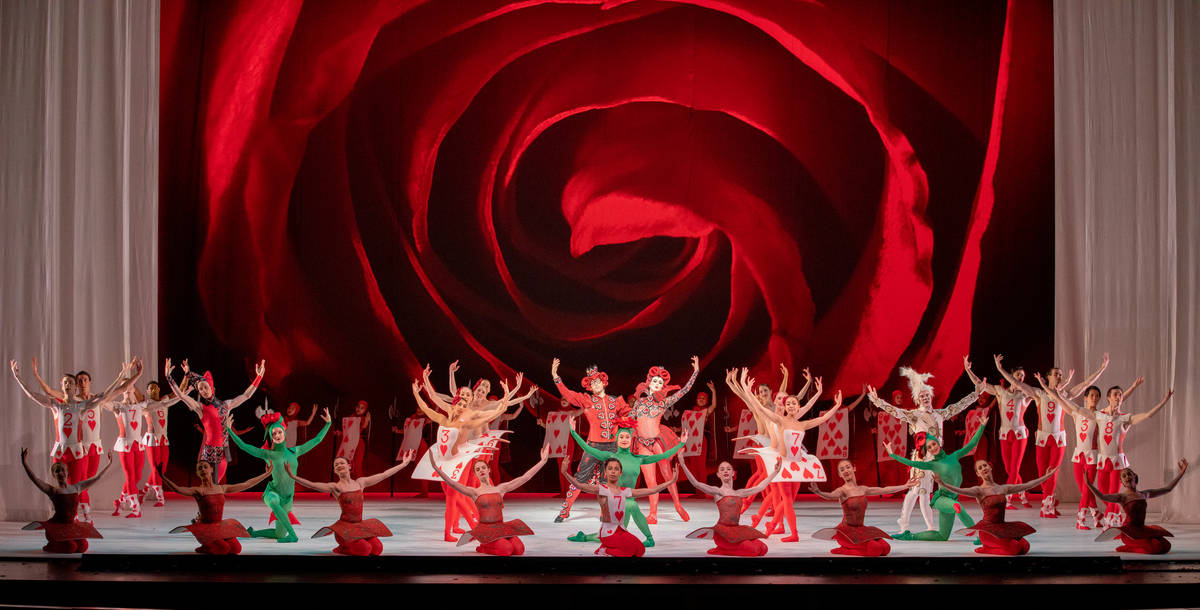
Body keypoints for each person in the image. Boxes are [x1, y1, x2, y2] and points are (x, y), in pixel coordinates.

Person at [12, 358, 140, 522]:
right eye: (65, 382)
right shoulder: (55, 405)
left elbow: (106, 395)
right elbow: (32, 395)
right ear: (62, 385)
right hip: (60, 451)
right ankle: (67, 516)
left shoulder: (82, 406)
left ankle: (85, 517)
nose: (68, 385)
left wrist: (121, 376)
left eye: (70, 383)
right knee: (62, 487)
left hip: (78, 452)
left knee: (79, 486)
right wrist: (18, 377)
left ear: (74, 387)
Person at [729, 368, 842, 542]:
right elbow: (758, 407)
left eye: (793, 403)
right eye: (787, 403)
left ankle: (774, 525)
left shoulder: (802, 424)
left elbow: (822, 418)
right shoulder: (779, 419)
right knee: (785, 499)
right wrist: (744, 385)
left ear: (798, 406)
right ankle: (787, 531)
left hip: (798, 464)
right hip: (782, 464)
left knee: (788, 500)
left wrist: (834, 404)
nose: (790, 405)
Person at [1046, 376, 1172, 528]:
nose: (1118, 397)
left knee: (1113, 493)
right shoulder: (1100, 415)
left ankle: (1108, 522)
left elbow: (1147, 415)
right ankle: (1115, 515)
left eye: (1120, 395)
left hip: (1117, 461)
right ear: (1108, 398)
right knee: (1105, 495)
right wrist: (1056, 393)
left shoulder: (1125, 418)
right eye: (1115, 395)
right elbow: (1077, 409)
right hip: (1102, 461)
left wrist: (1164, 402)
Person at [868, 365, 984, 529]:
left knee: (920, 491)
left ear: (931, 396)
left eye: (927, 395)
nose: (925, 397)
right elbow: (895, 412)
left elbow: (959, 406)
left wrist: (976, 393)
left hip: (939, 459)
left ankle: (908, 522)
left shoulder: (940, 414)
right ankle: (927, 526)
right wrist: (878, 401)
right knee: (920, 491)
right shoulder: (915, 415)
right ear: (917, 400)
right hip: (922, 458)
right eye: (921, 396)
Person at [994, 353, 1108, 517]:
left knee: (1052, 472)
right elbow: (1016, 383)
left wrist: (1101, 368)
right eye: (1056, 374)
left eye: (1061, 375)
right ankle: (1048, 503)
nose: (1059, 377)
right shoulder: (1039, 394)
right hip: (1042, 438)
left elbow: (1086, 384)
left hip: (1058, 439)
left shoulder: (1065, 395)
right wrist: (1000, 369)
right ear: (1047, 377)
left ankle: (1046, 506)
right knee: (1042, 474)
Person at [564, 417, 687, 547]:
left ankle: (649, 538)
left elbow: (662, 456)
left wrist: (681, 444)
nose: (624, 440)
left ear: (631, 439)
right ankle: (585, 537)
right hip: (613, 502)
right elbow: (589, 449)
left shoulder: (638, 459)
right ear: (617, 439)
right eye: (621, 437)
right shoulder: (611, 457)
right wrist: (573, 432)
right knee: (614, 531)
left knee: (627, 512)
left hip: (628, 498)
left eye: (627, 437)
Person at [226, 408, 332, 542]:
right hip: (273, 493)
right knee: (274, 502)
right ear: (270, 436)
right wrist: (229, 430)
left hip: (288, 497)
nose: (277, 435)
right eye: (274, 433)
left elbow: (316, 440)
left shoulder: (295, 451)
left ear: (284, 432)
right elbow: (244, 446)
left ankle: (252, 533)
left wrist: (328, 424)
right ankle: (293, 535)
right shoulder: (268, 454)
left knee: (279, 534)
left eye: (279, 432)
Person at [284, 451, 416, 555]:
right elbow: (313, 485)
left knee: (377, 549)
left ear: (349, 466)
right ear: (335, 471)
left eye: (342, 463)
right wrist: (293, 477)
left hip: (359, 527)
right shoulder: (335, 487)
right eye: (336, 465)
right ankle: (342, 548)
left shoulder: (360, 483)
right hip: (344, 530)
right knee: (365, 550)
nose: (339, 465)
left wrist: (403, 464)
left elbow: (384, 474)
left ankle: (355, 544)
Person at [428, 446, 550, 555]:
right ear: (476, 475)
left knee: (519, 550)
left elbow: (525, 477)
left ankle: (494, 544)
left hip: (500, 528)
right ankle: (483, 547)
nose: (481, 470)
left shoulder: (500, 489)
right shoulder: (474, 492)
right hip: (486, 530)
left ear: (488, 470)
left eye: (483, 468)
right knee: (506, 550)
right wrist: (435, 468)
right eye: (477, 469)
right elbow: (453, 484)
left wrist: (543, 461)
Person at [550, 359, 630, 521]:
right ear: (589, 386)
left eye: (598, 382)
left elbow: (628, 415)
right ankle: (565, 511)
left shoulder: (616, 401)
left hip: (612, 448)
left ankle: (605, 512)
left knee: (606, 481)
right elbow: (568, 394)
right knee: (581, 478)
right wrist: (555, 376)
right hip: (593, 446)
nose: (595, 385)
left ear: (604, 383)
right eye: (592, 383)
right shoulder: (587, 400)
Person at [165, 357, 265, 483]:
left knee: (216, 484)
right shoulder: (201, 408)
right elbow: (181, 395)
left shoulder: (225, 405)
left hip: (222, 452)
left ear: (211, 387)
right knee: (208, 483)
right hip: (208, 453)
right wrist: (169, 377)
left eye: (205, 387)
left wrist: (259, 377)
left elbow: (246, 395)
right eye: (200, 389)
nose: (203, 391)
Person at [886, 420, 988, 541]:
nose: (932, 448)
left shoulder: (954, 456)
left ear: (938, 443)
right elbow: (911, 463)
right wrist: (892, 454)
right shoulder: (933, 464)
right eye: (929, 447)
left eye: (933, 444)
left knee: (942, 536)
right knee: (957, 506)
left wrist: (982, 426)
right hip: (942, 499)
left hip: (952, 498)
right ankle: (979, 536)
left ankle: (909, 536)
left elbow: (972, 444)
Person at [561, 457, 679, 557]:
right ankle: (603, 550)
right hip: (608, 533)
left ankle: (607, 548)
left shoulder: (625, 491)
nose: (613, 471)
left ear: (620, 473)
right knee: (629, 551)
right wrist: (565, 472)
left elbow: (652, 490)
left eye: (616, 469)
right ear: (605, 472)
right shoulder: (601, 489)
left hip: (621, 531)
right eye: (610, 468)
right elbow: (580, 485)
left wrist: (671, 481)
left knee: (640, 550)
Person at [630, 357, 699, 522]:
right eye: (655, 381)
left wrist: (695, 372)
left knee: (668, 476)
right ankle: (653, 513)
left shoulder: (663, 403)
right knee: (650, 481)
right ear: (649, 382)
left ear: (663, 387)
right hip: (642, 444)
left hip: (657, 441)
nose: (657, 384)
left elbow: (684, 391)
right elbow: (630, 421)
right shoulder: (639, 403)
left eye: (660, 383)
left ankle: (678, 506)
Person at [934, 463, 1056, 555]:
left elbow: (1028, 485)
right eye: (980, 468)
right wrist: (943, 484)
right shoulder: (979, 490)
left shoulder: (1003, 488)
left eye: (985, 465)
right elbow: (959, 490)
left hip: (1002, 528)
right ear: (978, 474)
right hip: (988, 531)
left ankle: (991, 547)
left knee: (1025, 547)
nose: (983, 468)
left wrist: (1047, 476)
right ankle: (986, 548)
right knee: (1014, 549)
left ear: (990, 468)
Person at [809, 460, 921, 556]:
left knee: (886, 548)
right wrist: (819, 492)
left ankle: (855, 548)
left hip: (860, 530)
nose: (846, 471)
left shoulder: (863, 489)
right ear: (840, 474)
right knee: (875, 549)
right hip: (846, 533)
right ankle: (844, 550)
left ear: (854, 468)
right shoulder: (842, 491)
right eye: (842, 469)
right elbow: (830, 495)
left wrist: (905, 486)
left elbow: (884, 489)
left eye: (848, 467)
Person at [964, 357, 1033, 508]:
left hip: (1020, 434)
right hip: (1004, 434)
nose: (1020, 378)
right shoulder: (1000, 391)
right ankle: (1022, 495)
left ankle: (1007, 500)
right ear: (1012, 375)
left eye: (1022, 376)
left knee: (1014, 468)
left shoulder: (1026, 394)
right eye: (1018, 375)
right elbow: (980, 384)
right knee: (1010, 469)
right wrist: (968, 370)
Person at [161, 461, 273, 554]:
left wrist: (266, 474)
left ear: (211, 470)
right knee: (223, 549)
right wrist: (163, 477)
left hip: (219, 526)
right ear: (198, 473)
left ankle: (210, 545)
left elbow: (246, 484)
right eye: (200, 468)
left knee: (236, 549)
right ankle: (206, 546)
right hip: (206, 528)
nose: (203, 469)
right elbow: (178, 489)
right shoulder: (198, 490)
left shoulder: (221, 488)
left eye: (205, 467)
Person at [679, 458, 781, 556]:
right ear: (719, 475)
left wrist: (775, 472)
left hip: (736, 531)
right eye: (722, 469)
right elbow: (696, 484)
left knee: (763, 549)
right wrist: (683, 464)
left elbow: (760, 487)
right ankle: (721, 550)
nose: (725, 471)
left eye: (728, 469)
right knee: (753, 550)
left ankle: (727, 549)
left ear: (733, 473)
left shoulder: (740, 493)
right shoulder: (718, 492)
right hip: (723, 534)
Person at [19, 448, 113, 553]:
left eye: (63, 470)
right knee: (70, 548)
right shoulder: (53, 490)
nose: (61, 473)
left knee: (83, 547)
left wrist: (109, 464)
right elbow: (35, 479)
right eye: (57, 471)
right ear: (54, 475)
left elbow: (97, 478)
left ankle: (63, 542)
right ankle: (51, 544)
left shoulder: (76, 487)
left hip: (71, 526)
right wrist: (24, 463)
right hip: (57, 527)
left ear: (67, 473)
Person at [1086, 459, 1187, 554]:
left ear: (1135, 476)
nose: (1127, 477)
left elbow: (1168, 489)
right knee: (1156, 547)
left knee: (1166, 546)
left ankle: (1134, 547)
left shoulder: (1144, 494)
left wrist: (1181, 472)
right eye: (1124, 476)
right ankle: (1128, 548)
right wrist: (1089, 484)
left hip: (1142, 530)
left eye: (1129, 474)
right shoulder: (1122, 497)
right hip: (1129, 533)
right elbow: (1102, 496)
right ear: (1122, 483)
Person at [139, 379, 188, 507]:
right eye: (151, 388)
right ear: (147, 391)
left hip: (163, 439)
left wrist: (186, 376)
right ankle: (160, 497)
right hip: (151, 440)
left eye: (156, 387)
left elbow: (179, 391)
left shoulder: (165, 400)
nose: (154, 390)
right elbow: (135, 393)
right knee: (156, 469)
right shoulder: (145, 403)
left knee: (162, 469)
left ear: (159, 389)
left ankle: (144, 491)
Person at [334, 400, 372, 478]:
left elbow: (361, 428)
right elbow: (347, 432)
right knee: (349, 466)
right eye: (358, 407)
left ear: (365, 410)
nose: (359, 409)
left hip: (359, 444)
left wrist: (366, 422)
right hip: (349, 444)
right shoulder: (351, 417)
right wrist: (340, 433)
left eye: (362, 408)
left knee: (357, 466)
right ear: (355, 407)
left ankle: (360, 486)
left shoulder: (362, 418)